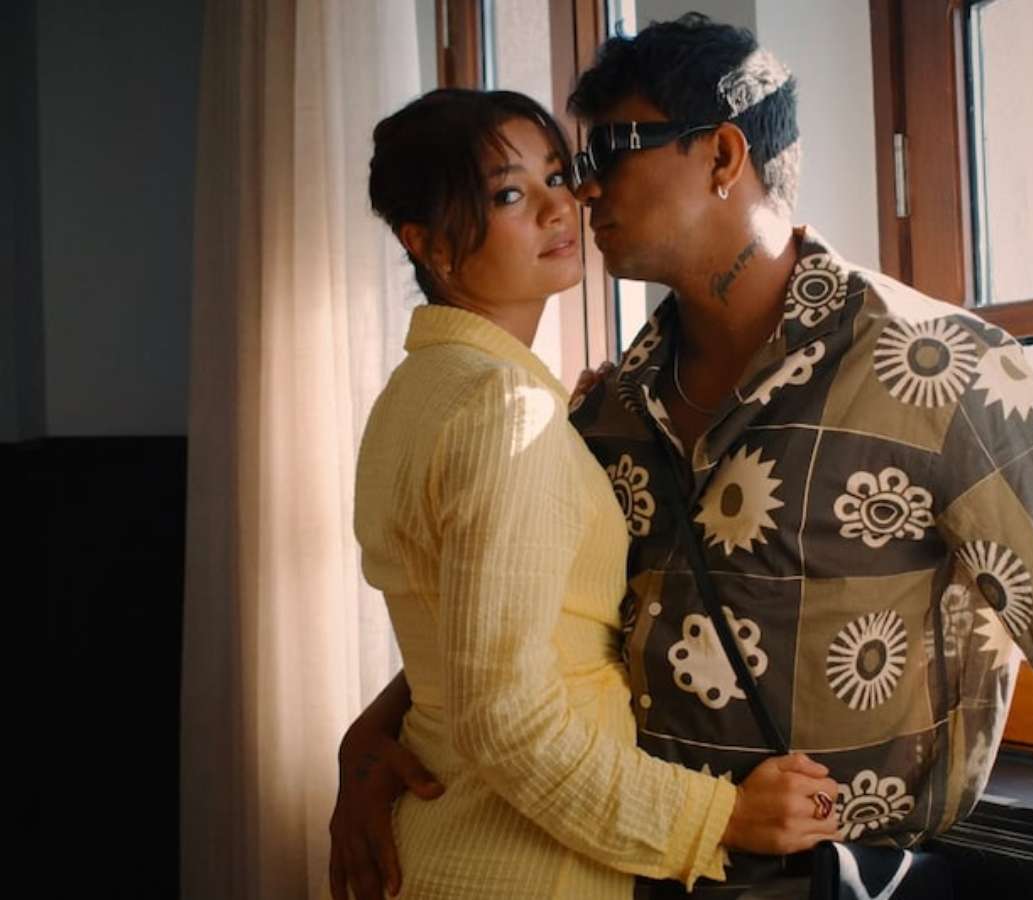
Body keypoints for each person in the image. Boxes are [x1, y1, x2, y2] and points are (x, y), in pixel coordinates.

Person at [333, 16, 1033, 899]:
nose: (583, 190)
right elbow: (516, 621)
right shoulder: (611, 405)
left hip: (834, 879)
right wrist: (375, 734)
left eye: (609, 152)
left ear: (723, 155)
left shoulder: (941, 370)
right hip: (625, 868)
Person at [336, 86, 842, 900]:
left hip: (452, 840)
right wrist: (722, 817)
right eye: (508, 195)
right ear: (426, 244)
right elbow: (508, 719)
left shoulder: (421, 392)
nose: (558, 207)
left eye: (555, 176)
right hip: (515, 868)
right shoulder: (503, 407)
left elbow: (466, 639)